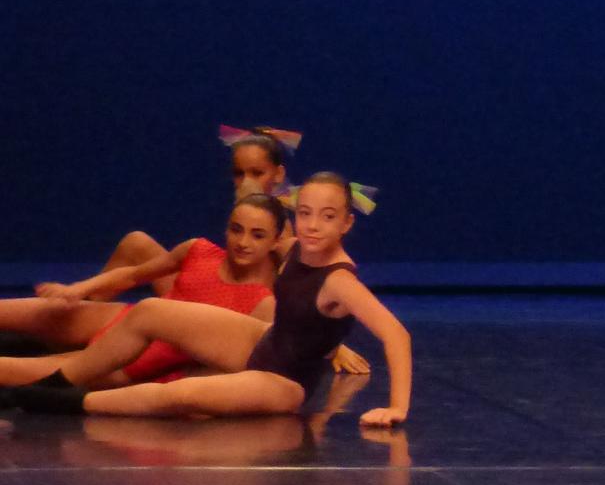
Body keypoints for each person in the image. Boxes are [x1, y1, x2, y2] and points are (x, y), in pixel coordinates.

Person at [0, 173, 411, 426]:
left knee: (182, 396)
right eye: (305, 213)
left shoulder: (341, 280)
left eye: (327, 216)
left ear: (347, 222)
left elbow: (396, 335)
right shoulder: (293, 247)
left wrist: (396, 408)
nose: (313, 225)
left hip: (285, 381)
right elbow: (263, 224)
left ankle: (64, 400)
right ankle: (62, 378)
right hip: (264, 340)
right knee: (150, 310)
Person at [0, 193, 286, 384]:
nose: (243, 242)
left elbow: (241, 369)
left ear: (275, 242)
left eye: (257, 235)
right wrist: (78, 288)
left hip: (139, 359)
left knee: (12, 370)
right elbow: (134, 274)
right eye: (236, 229)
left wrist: (171, 386)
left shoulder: (263, 302)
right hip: (123, 318)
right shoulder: (198, 249)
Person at [91, 125, 298, 300]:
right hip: (210, 286)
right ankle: (83, 306)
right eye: (238, 173)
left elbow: (286, 287)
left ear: (278, 174)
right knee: (136, 243)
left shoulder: (280, 227)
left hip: (225, 305)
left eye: (257, 173)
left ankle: (79, 311)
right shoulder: (244, 209)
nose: (246, 182)